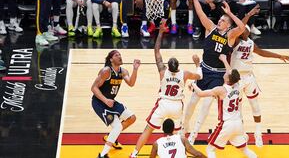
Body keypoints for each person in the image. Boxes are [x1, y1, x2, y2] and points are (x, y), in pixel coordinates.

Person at [183, 0, 259, 144]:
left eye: (223, 20)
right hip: (204, 70)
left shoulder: (231, 35)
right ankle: (184, 127)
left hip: (218, 74)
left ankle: (194, 134)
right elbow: (200, 12)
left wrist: (230, 13)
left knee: (206, 103)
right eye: (220, 19)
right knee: (192, 102)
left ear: (228, 25)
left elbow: (241, 26)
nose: (220, 20)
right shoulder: (211, 28)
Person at [130, 24, 203, 158]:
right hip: (176, 106)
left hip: (163, 104)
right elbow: (200, 76)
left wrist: (160, 33)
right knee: (177, 135)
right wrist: (198, 64)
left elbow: (156, 51)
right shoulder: (184, 74)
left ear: (168, 66)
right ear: (178, 66)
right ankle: (180, 153)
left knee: (148, 129)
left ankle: (134, 154)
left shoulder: (163, 71)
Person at [230, 25, 289, 147]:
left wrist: (279, 56)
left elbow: (262, 52)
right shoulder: (235, 40)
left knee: (255, 105)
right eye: (242, 28)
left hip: (249, 78)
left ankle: (258, 132)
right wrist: (247, 16)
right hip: (237, 80)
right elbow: (239, 27)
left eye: (245, 28)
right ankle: (241, 133)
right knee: (238, 108)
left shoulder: (251, 43)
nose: (244, 30)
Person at [190, 54, 257, 158]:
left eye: (227, 74)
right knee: (245, 150)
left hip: (226, 124)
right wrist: (225, 60)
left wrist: (193, 84)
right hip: (238, 124)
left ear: (228, 79)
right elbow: (230, 72)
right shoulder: (238, 86)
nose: (225, 73)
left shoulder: (221, 90)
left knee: (210, 149)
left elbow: (201, 93)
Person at [92, 50, 140, 158]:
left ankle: (111, 136)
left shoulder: (123, 71)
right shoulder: (106, 71)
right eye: (116, 55)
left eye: (120, 55)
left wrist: (135, 69)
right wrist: (105, 100)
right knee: (117, 126)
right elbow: (93, 88)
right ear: (111, 59)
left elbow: (131, 83)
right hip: (99, 102)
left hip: (110, 101)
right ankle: (103, 154)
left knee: (132, 118)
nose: (119, 56)